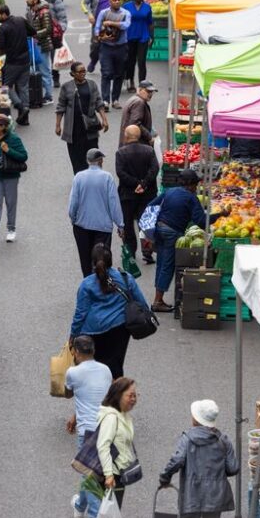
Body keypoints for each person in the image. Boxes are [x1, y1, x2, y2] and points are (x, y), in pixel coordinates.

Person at [159, 400, 240, 518]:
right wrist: (219, 471)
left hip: (192, 496)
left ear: (196, 419)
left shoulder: (187, 439)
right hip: (215, 496)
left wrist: (165, 477)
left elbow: (177, 460)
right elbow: (233, 467)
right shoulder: (223, 439)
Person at [71, 244, 146, 384]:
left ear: (93, 263)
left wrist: (73, 336)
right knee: (116, 367)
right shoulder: (126, 278)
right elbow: (142, 303)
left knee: (95, 369)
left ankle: (99, 396)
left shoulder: (86, 285)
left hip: (93, 332)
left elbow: (80, 314)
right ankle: (115, 397)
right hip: (120, 330)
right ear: (111, 260)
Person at [66, 335, 113, 518]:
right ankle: (79, 507)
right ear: (93, 351)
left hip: (88, 431)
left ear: (75, 352)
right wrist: (75, 416)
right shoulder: (106, 370)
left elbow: (69, 392)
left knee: (90, 475)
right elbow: (97, 397)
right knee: (90, 471)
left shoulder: (73, 373)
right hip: (107, 426)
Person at [93, 376, 138, 518]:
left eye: (136, 395)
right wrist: (109, 475)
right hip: (112, 476)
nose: (134, 399)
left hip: (118, 474)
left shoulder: (122, 415)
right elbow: (103, 445)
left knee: (110, 517)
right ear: (118, 396)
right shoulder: (112, 417)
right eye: (130, 395)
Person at [148, 169, 207, 312]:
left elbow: (151, 205)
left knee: (161, 264)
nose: (196, 187)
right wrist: (220, 215)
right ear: (190, 185)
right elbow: (201, 221)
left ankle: (158, 298)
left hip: (159, 229)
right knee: (167, 266)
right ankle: (157, 301)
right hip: (171, 233)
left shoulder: (170, 191)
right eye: (195, 184)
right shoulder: (191, 198)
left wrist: (150, 230)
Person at [68, 149, 124, 277]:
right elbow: (114, 203)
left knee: (85, 259)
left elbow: (73, 203)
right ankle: (102, 283)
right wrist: (120, 225)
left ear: (88, 161)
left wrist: (73, 218)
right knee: (101, 259)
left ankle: (88, 284)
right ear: (100, 161)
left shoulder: (79, 177)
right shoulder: (107, 178)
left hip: (82, 226)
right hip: (102, 228)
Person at [115, 125, 158, 265]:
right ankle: (147, 253)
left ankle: (131, 253)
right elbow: (154, 169)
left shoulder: (121, 153)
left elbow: (120, 173)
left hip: (128, 195)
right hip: (147, 194)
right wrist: (143, 184)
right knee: (145, 224)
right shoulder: (149, 151)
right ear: (139, 136)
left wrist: (135, 184)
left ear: (126, 136)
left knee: (128, 225)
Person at [0, 112, 28, 244]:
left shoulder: (13, 139)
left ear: (3, 127)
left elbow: (23, 156)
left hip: (10, 176)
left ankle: (11, 230)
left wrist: (8, 150)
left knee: (10, 203)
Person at [57, 62, 109, 174]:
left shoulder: (92, 84)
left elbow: (99, 103)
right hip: (73, 129)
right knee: (76, 156)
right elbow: (61, 107)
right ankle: (79, 177)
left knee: (94, 153)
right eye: (79, 72)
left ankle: (96, 176)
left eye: (84, 71)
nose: (83, 73)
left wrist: (104, 119)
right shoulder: (66, 87)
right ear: (72, 74)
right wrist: (58, 125)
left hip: (90, 126)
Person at [0, 4, 35, 125]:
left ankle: (20, 106)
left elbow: (0, 46)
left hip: (12, 62)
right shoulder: (21, 20)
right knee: (23, 87)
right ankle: (25, 115)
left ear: (3, 14)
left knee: (6, 87)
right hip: (25, 60)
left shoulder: (3, 28)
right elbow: (33, 31)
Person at [82, 0, 128, 72]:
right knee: (95, 46)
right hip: (98, 23)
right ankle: (93, 61)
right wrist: (89, 14)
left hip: (113, 22)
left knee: (112, 44)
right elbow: (84, 3)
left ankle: (108, 68)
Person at [94, 0, 131, 107]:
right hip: (106, 47)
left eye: (118, 0)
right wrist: (100, 36)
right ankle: (105, 100)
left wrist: (111, 23)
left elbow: (126, 25)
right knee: (106, 73)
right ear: (109, 1)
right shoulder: (103, 13)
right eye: (114, 0)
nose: (117, 2)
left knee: (119, 74)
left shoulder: (126, 13)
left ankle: (115, 99)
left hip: (121, 47)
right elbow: (97, 27)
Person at [26, 0, 55, 103]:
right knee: (36, 69)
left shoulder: (44, 11)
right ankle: (39, 94)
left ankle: (48, 96)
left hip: (42, 44)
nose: (27, 1)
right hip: (34, 43)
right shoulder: (31, 10)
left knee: (45, 70)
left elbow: (48, 29)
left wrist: (34, 34)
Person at [123, 0, 154, 90]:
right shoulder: (126, 6)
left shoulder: (147, 7)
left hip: (143, 36)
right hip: (130, 36)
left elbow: (150, 23)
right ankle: (130, 81)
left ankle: (142, 84)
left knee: (141, 62)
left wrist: (151, 36)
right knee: (130, 61)